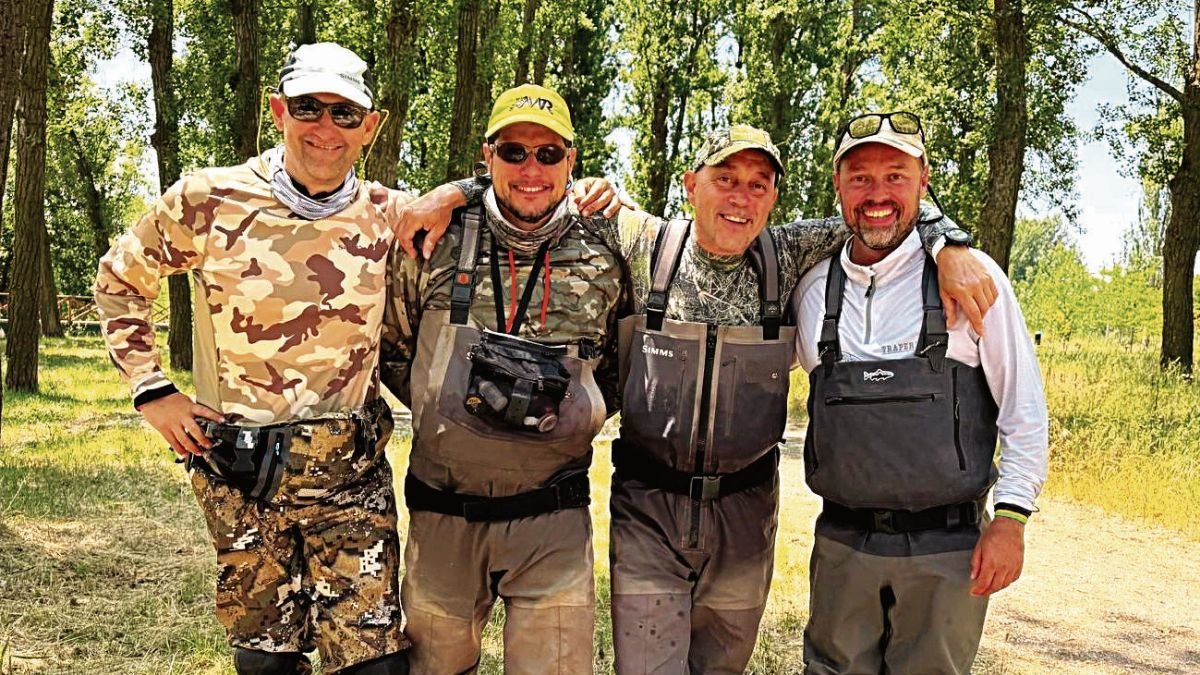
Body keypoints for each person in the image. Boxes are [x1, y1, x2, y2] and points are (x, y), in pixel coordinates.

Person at [396, 122, 997, 674]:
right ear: (690, 185)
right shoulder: (642, 241)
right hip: (648, 511)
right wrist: (454, 192)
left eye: (758, 185)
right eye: (724, 179)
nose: (740, 198)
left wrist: (951, 243)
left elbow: (881, 205)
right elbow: (529, 186)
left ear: (773, 199)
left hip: (744, 515)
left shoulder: (788, 256)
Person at [95, 42, 411, 675]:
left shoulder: (389, 213)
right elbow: (120, 280)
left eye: (345, 113)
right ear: (278, 112)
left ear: (370, 127)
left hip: (348, 472)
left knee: (373, 663)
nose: (326, 128)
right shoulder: (207, 200)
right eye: (308, 108)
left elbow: (502, 205)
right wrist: (151, 387)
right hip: (241, 473)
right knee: (266, 659)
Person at [379, 83, 631, 674]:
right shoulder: (434, 241)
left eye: (549, 154)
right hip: (444, 514)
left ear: (572, 161)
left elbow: (621, 365)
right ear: (487, 156)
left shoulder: (607, 245)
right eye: (514, 152)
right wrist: (452, 414)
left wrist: (570, 418)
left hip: (554, 520)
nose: (531, 169)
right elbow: (395, 351)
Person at [790, 111, 1049, 675]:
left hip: (946, 549)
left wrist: (1011, 518)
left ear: (923, 181)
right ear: (837, 185)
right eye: (859, 177)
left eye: (895, 175)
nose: (876, 194)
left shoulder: (974, 278)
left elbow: (1023, 409)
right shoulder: (810, 290)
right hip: (841, 544)